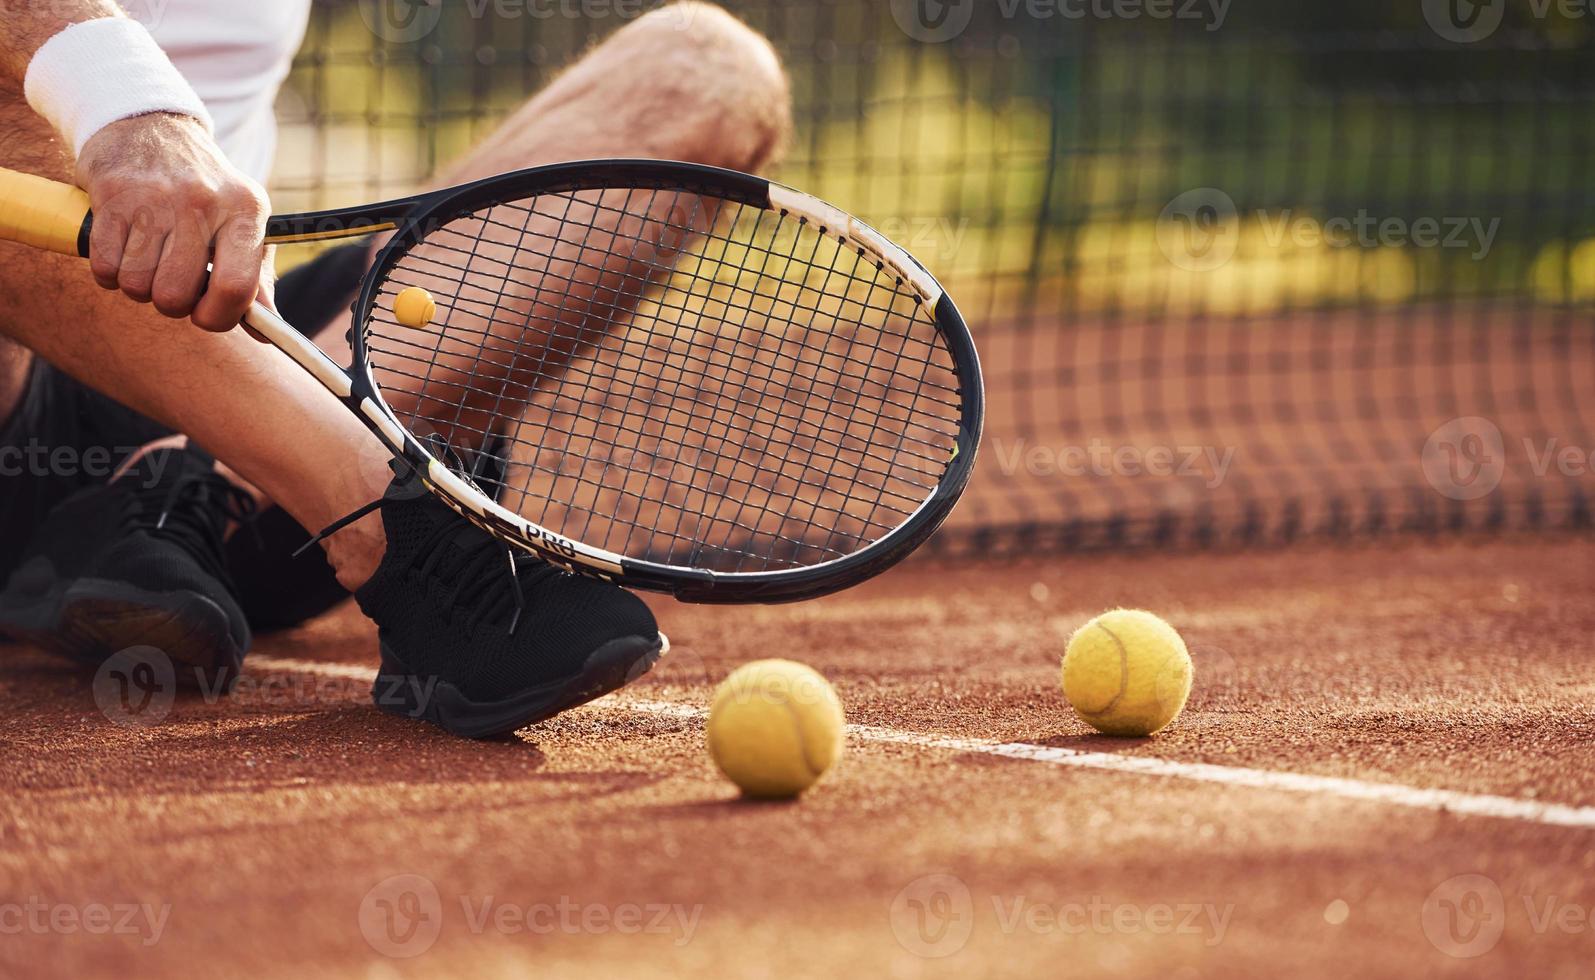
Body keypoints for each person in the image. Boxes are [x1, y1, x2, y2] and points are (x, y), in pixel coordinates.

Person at [0, 1, 791, 737]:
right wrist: (128, 107)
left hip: (244, 346)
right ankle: (378, 516)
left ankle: (205, 481)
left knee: (706, 67)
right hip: (22, 391)